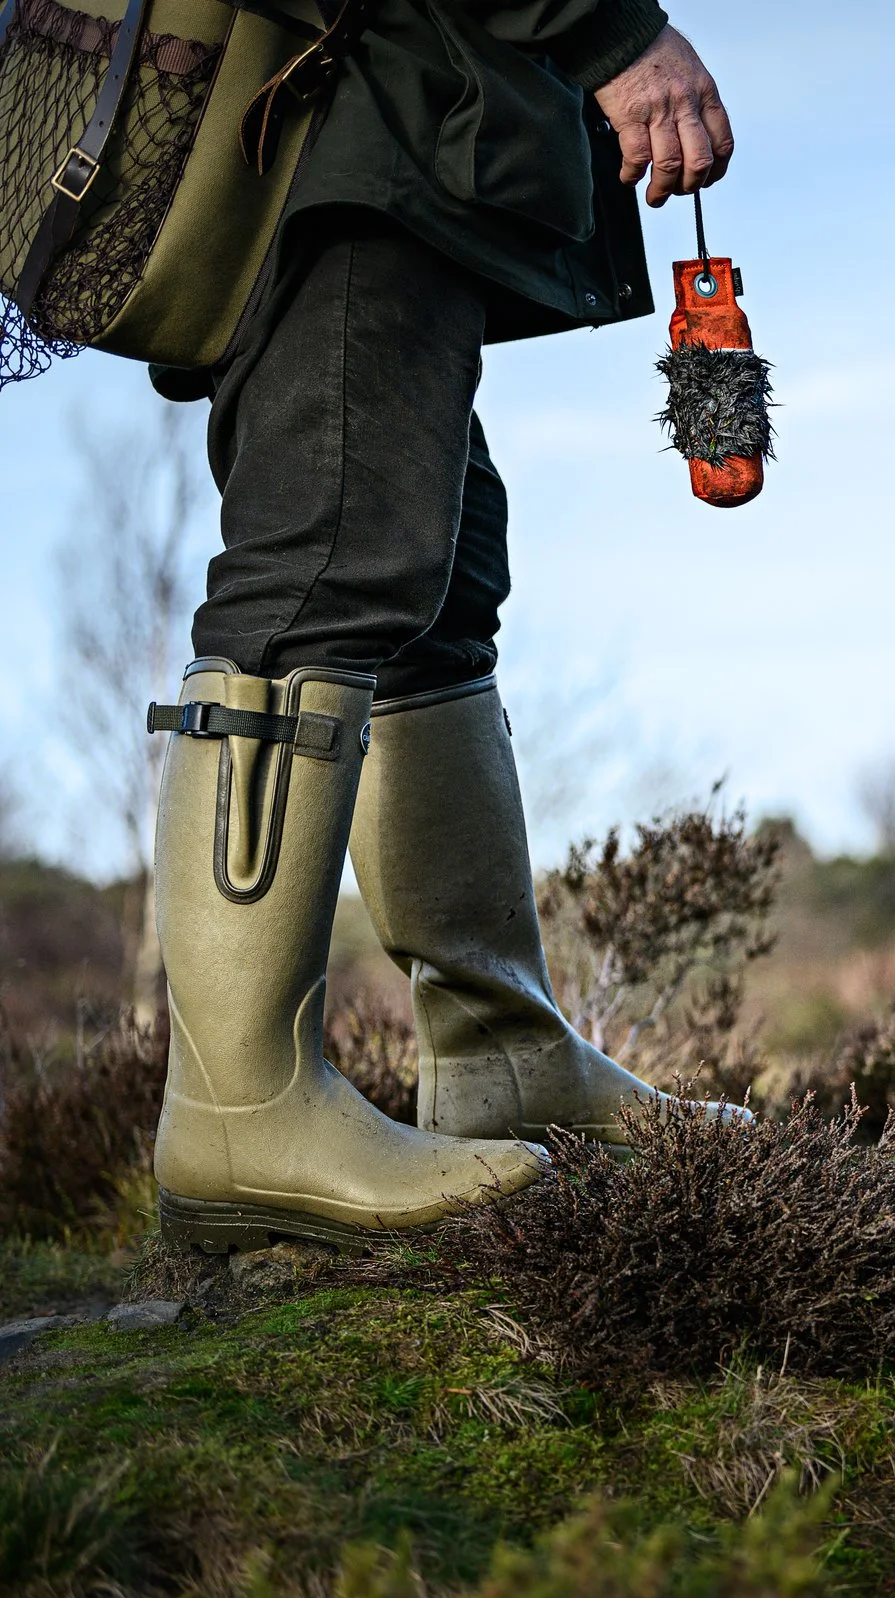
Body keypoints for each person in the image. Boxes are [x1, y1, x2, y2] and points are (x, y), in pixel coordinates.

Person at [146, 1, 735, 1254]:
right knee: (323, 568)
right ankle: (237, 1109)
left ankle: (500, 1050)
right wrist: (607, 31)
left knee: (433, 574)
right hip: (355, 116)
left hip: (403, 120)